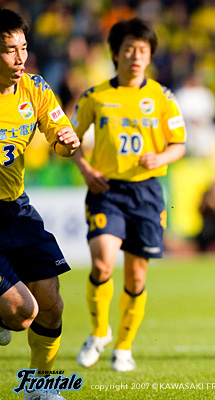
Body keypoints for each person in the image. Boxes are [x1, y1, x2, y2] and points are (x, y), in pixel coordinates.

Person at [71, 17, 186, 371]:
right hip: (106, 190)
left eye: (143, 51)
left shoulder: (163, 97)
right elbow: (72, 140)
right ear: (115, 54)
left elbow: (179, 144)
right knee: (102, 263)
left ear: (150, 56)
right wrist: (85, 169)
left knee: (136, 277)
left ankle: (123, 347)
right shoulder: (95, 96)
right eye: (129, 50)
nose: (136, 57)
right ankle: (98, 332)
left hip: (147, 193)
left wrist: (160, 157)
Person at [0, 8, 80, 400]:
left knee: (50, 303)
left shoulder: (34, 88)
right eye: (9, 50)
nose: (20, 58)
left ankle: (39, 389)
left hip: (16, 210)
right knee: (21, 312)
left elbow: (60, 137)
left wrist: (67, 144)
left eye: (24, 48)